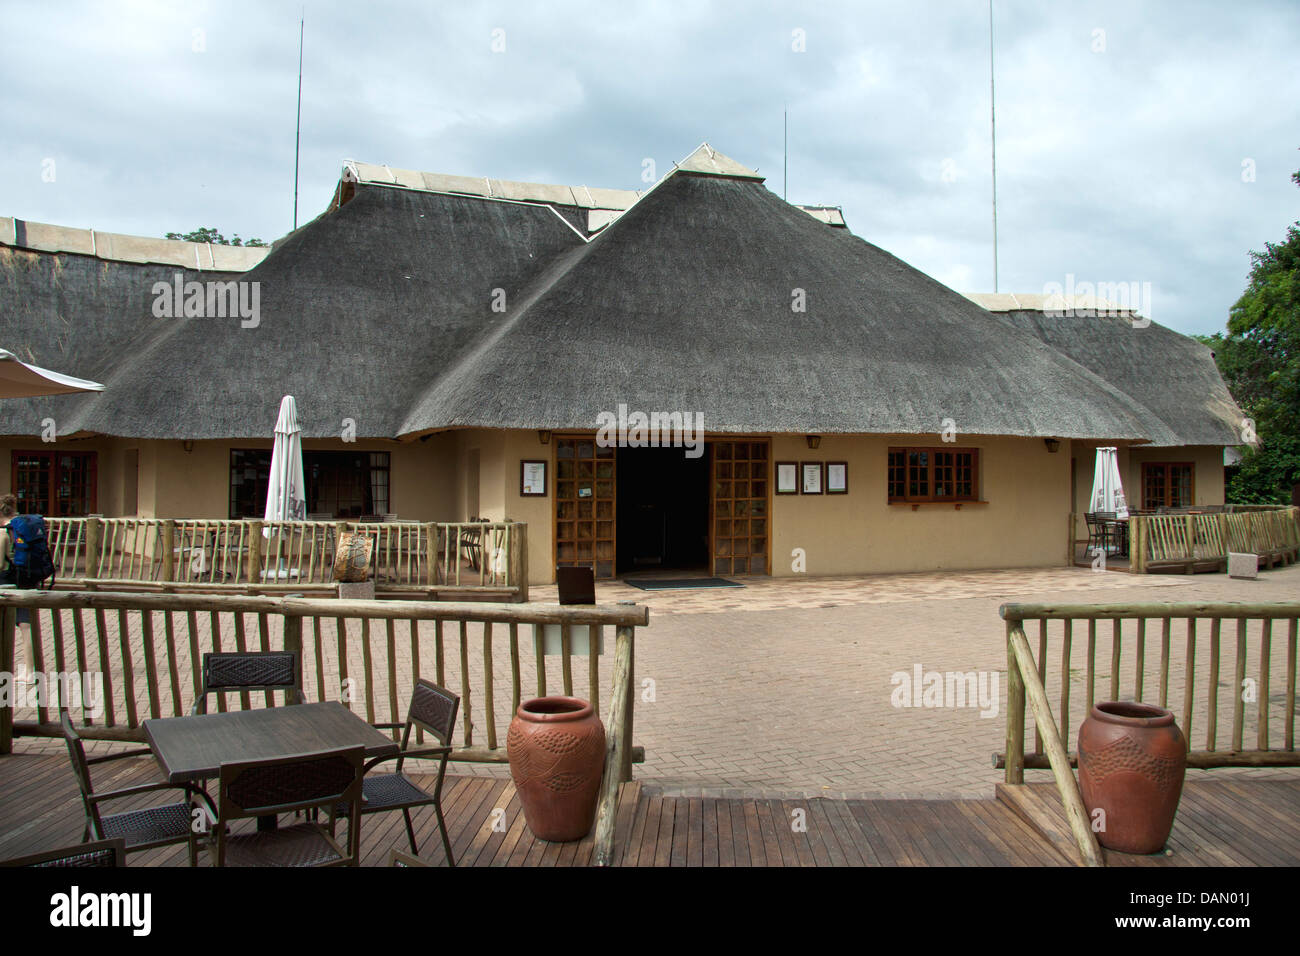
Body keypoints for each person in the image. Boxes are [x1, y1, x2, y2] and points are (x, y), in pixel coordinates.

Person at [0, 494, 15, 586]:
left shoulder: (2, 532)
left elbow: (0, 565)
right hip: (18, 570)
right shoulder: (17, 525)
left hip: (5, 576)